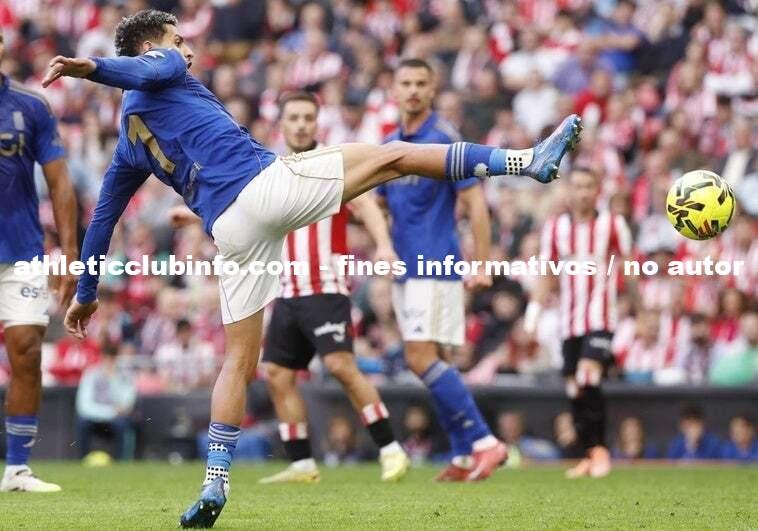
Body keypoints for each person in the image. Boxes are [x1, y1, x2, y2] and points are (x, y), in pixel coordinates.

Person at [42, 10, 582, 527]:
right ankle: (525, 161)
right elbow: (148, 68)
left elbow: (103, 220)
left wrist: (86, 292)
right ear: (148, 48)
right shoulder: (161, 68)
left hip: (230, 231)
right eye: (177, 40)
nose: (187, 49)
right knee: (394, 155)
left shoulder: (128, 141)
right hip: (264, 189)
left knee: (238, 361)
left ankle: (214, 482)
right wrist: (89, 68)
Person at [255, 91, 409, 484]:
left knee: (341, 366)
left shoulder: (332, 163)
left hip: (325, 286)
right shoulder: (269, 167)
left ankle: (391, 449)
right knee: (277, 374)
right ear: (281, 123)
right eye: (294, 117)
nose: (301, 125)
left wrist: (384, 245)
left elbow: (367, 205)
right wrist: (193, 218)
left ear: (317, 122)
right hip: (287, 290)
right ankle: (302, 464)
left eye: (308, 117)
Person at [376, 59, 507, 482]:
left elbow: (475, 203)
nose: (413, 90)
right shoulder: (389, 144)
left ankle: (485, 442)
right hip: (404, 269)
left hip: (434, 265)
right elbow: (379, 205)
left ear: (433, 90)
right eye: (406, 82)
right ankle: (464, 454)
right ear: (394, 90)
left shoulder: (444, 140)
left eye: (421, 83)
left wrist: (482, 263)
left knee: (420, 358)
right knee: (439, 362)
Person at [0, 31, 78, 492]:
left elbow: (60, 182)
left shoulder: (32, 107)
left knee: (27, 352)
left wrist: (69, 253)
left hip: (23, 251)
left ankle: (16, 469)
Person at [526, 167, 633, 479]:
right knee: (574, 388)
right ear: (569, 191)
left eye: (589, 186)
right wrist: (532, 315)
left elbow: (630, 269)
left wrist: (638, 312)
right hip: (569, 321)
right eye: (578, 186)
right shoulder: (556, 228)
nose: (583, 193)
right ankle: (589, 452)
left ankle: (600, 452)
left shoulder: (613, 225)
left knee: (588, 376)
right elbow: (547, 275)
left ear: (597, 191)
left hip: (601, 317)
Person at [74, 341, 137, 461]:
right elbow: (84, 406)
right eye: (107, 356)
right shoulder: (91, 374)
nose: (109, 361)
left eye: (113, 356)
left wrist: (113, 379)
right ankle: (82, 460)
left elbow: (126, 404)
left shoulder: (125, 375)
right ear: (102, 357)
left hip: (116, 420)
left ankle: (121, 462)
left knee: (122, 423)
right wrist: (111, 412)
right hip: (96, 417)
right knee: (82, 422)